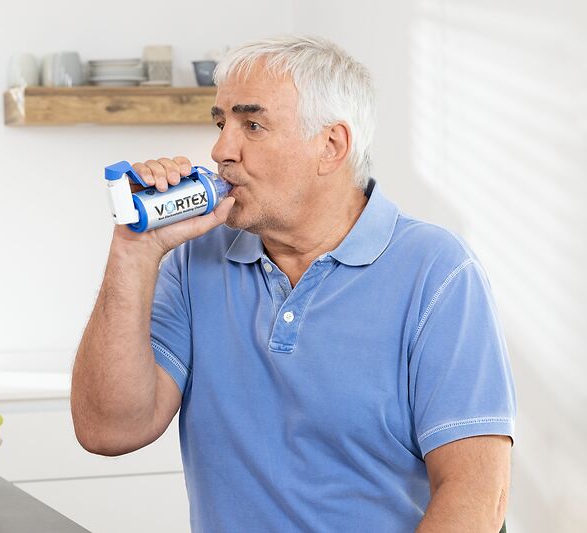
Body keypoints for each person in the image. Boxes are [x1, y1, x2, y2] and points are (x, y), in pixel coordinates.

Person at [71, 35, 516, 532]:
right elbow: (107, 430)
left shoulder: (436, 271)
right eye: (221, 123)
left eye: (252, 125)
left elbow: (477, 497)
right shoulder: (196, 257)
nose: (221, 150)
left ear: (331, 146)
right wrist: (134, 251)